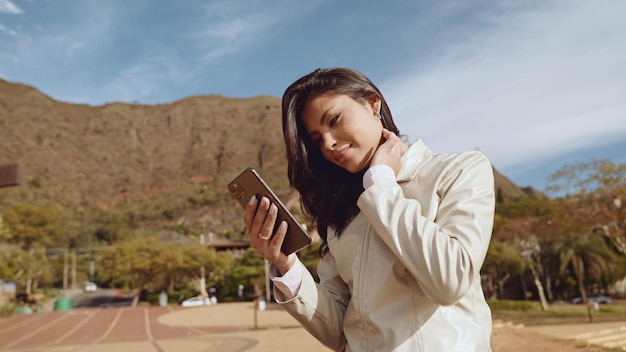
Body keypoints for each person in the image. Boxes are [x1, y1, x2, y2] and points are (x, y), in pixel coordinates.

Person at [243, 67, 495, 351]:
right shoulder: (341, 216)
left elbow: (450, 280)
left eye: (334, 120)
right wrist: (287, 266)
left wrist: (380, 186)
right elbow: (340, 330)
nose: (328, 143)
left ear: (372, 103)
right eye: (316, 139)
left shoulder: (459, 171)